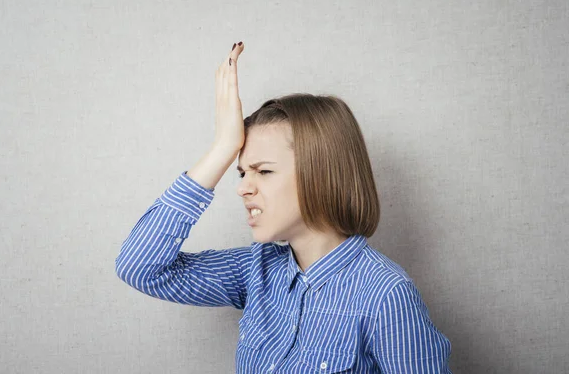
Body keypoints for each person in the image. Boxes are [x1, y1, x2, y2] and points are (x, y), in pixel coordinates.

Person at [115, 41, 452, 373]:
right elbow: (140, 268)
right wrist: (222, 148)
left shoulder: (386, 295)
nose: (243, 188)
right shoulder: (254, 270)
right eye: (242, 171)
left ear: (320, 173)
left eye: (263, 171)